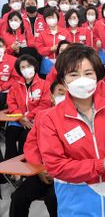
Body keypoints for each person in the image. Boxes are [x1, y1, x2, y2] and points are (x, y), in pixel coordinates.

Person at [39, 44, 105, 217]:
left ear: (97, 76)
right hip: (75, 207)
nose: (81, 79)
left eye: (88, 73)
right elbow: (56, 166)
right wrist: (101, 165)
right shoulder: (50, 119)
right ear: (63, 81)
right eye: (73, 74)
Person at [10, 81, 65, 217]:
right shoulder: (42, 116)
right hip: (43, 171)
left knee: (53, 199)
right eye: (61, 92)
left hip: (66, 175)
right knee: (18, 198)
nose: (66, 96)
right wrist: (40, 169)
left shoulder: (79, 118)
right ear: (52, 97)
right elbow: (31, 145)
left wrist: (58, 173)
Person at [5, 54, 51, 160]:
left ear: (34, 66)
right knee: (10, 136)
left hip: (34, 121)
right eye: (23, 67)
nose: (26, 69)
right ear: (19, 70)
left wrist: (28, 116)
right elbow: (11, 103)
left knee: (24, 139)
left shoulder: (45, 84)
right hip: (18, 120)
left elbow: (44, 104)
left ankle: (25, 167)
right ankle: (11, 170)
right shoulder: (15, 86)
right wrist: (21, 117)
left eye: (29, 66)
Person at [0, 38, 20, 110]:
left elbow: (16, 78)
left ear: (5, 47)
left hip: (6, 90)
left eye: (0, 46)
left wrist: (2, 87)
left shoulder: (13, 60)